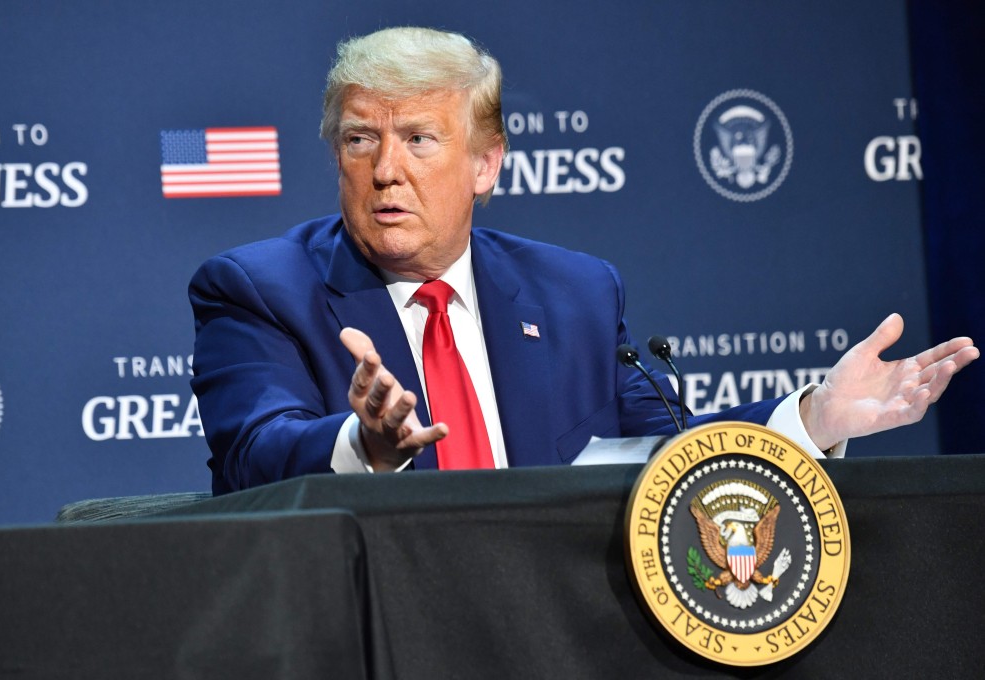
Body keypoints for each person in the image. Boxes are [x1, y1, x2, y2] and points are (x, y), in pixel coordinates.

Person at [189, 26, 978, 495]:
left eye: (420, 139)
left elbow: (663, 451)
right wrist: (366, 446)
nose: (385, 169)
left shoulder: (575, 292)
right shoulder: (261, 289)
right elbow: (253, 454)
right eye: (361, 138)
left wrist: (810, 422)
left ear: (487, 165)